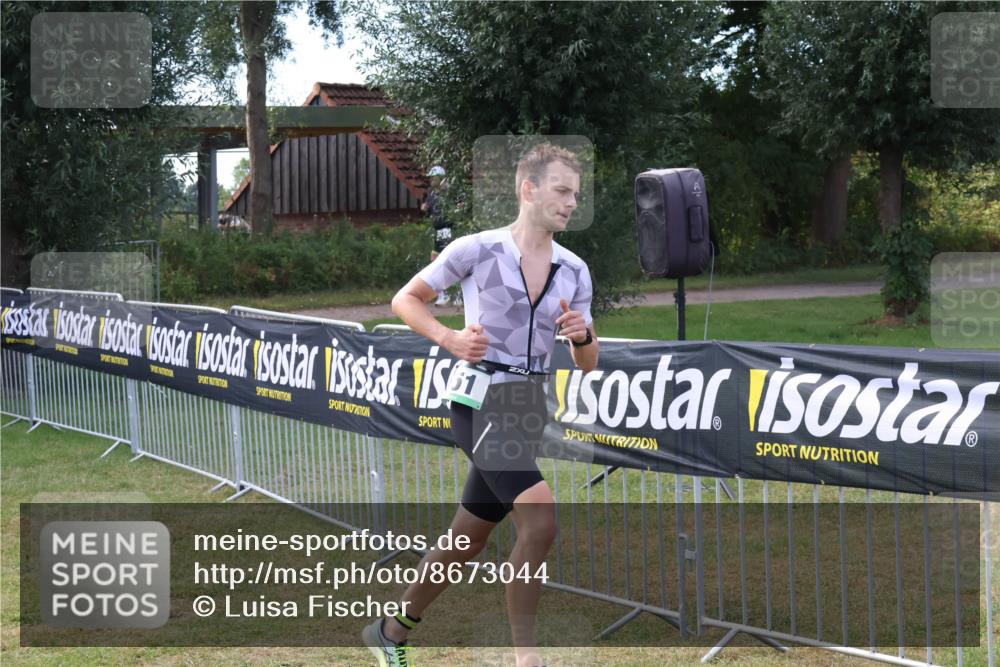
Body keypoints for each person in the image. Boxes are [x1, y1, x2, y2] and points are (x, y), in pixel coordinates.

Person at [363, 144, 599, 667]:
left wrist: (582, 336)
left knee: (467, 540)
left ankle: (391, 629)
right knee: (540, 521)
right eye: (562, 190)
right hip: (479, 399)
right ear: (528, 189)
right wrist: (448, 338)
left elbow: (587, 363)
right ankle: (526, 658)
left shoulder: (574, 269)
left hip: (526, 406)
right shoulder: (477, 249)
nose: (570, 203)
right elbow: (406, 299)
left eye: (576, 195)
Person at [420, 165, 454, 306]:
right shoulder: (432, 193)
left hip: (447, 229)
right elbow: (430, 210)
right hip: (438, 230)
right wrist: (425, 209)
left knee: (441, 261)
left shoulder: (448, 193)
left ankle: (447, 294)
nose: (431, 180)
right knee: (436, 260)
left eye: (433, 178)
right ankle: (448, 294)